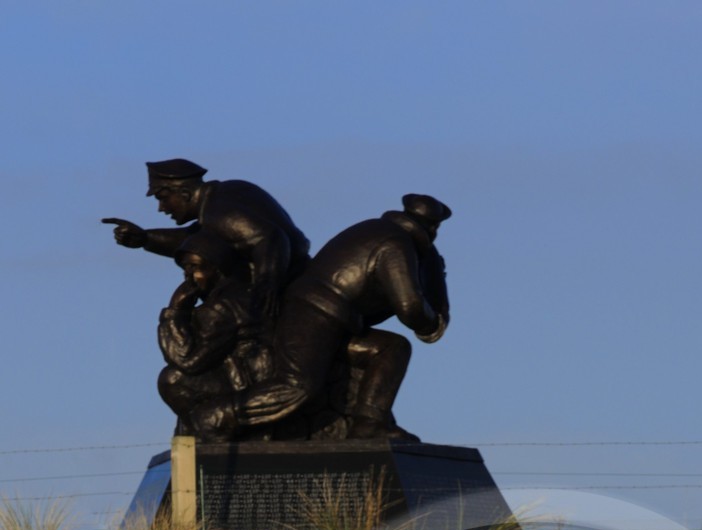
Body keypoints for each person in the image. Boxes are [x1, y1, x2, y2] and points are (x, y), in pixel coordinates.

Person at [218, 193, 451, 441]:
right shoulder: (395, 244)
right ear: (433, 228)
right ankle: (218, 415)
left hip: (334, 321)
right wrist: (433, 322)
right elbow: (410, 307)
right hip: (314, 313)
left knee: (391, 348)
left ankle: (369, 423)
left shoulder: (376, 229)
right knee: (296, 386)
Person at [103, 158, 310, 320]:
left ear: (184, 193)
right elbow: (195, 239)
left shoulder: (218, 212)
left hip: (292, 281)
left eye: (163, 198)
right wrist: (146, 238)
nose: (161, 208)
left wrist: (266, 288)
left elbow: (270, 239)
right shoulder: (217, 203)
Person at [156, 231, 273, 435]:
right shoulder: (242, 295)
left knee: (172, 379)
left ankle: (211, 437)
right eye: (185, 269)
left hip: (248, 387)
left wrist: (175, 311)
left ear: (217, 267)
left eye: (194, 267)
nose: (188, 277)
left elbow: (188, 360)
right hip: (251, 380)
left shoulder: (222, 307)